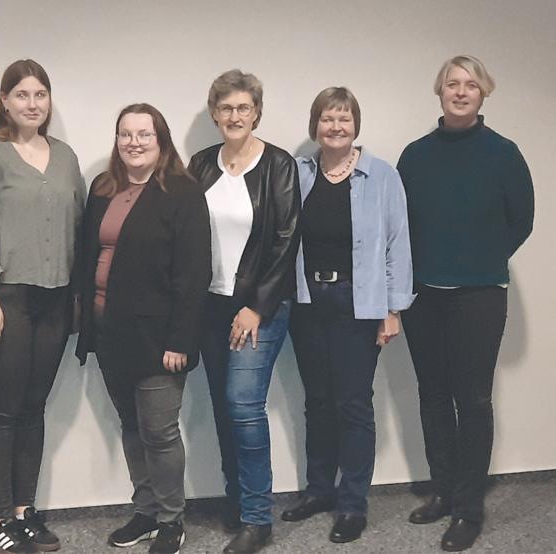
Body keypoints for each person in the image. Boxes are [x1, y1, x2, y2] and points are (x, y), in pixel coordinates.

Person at [398, 55, 534, 552]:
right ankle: (444, 491)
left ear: (483, 94)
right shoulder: (415, 156)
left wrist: (479, 259)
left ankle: (469, 508)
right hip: (423, 297)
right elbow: (399, 227)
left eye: (470, 85)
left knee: (472, 400)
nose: (460, 91)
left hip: (479, 296)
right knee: (432, 395)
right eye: (452, 84)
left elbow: (521, 220)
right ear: (439, 92)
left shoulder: (503, 153)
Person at [0, 59, 85, 553]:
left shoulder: (66, 156)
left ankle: (26, 511)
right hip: (3, 299)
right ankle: (0, 519)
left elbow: (76, 226)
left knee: (34, 408)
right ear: (5, 100)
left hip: (54, 300)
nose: (33, 104)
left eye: (41, 95)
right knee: (2, 410)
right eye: (23, 95)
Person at [76, 103, 211, 554]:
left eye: (143, 134)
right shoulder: (103, 188)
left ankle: (172, 519)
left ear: (161, 140)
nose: (134, 142)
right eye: (125, 134)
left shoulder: (182, 191)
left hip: (159, 339)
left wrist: (181, 341)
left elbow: (193, 274)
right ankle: (146, 511)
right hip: (110, 331)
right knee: (131, 426)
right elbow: (86, 256)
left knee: (159, 431)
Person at [280, 87, 414, 544]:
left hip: (359, 303)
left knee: (353, 403)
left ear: (356, 125)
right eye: (326, 119)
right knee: (317, 399)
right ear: (314, 125)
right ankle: (320, 490)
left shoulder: (381, 175)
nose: (335, 127)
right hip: (307, 300)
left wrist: (393, 309)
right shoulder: (298, 174)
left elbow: (398, 244)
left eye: (344, 119)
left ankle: (353, 502)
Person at [186, 70, 301, 554]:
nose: (235, 116)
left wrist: (256, 306)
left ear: (257, 112)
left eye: (244, 108)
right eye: (226, 108)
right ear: (215, 113)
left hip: (260, 307)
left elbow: (285, 240)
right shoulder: (199, 165)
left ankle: (257, 517)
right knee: (222, 407)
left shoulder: (279, 165)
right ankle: (237, 500)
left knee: (243, 405)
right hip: (209, 305)